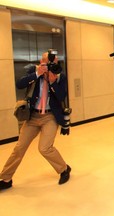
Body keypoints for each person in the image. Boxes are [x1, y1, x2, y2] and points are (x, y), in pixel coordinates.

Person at [0, 50, 71, 190]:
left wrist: (53, 82)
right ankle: (6, 178)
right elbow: (19, 84)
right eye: (47, 63)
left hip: (50, 117)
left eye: (54, 63)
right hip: (32, 117)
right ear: (41, 62)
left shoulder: (59, 76)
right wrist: (37, 73)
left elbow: (62, 96)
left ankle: (64, 169)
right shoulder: (33, 71)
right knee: (19, 148)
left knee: (44, 148)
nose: (51, 66)